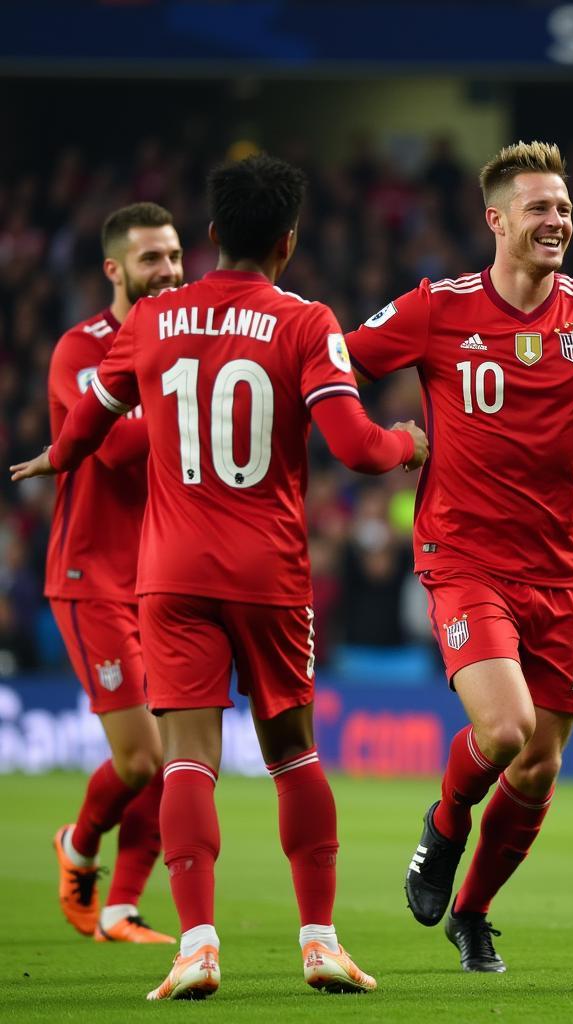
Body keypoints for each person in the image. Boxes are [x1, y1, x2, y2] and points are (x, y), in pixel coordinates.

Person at [12, 154, 428, 1001]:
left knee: (187, 764)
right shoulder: (308, 322)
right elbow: (354, 446)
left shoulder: (158, 317)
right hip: (269, 572)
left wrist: (56, 458)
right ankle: (318, 943)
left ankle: (196, 946)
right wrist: (410, 445)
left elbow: (90, 417)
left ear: (208, 237)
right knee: (293, 755)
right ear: (289, 239)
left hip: (168, 575)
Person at [343, 140, 573, 972]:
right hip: (464, 558)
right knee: (507, 727)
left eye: (563, 207)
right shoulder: (436, 307)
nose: (557, 220)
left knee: (538, 768)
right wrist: (388, 443)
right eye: (539, 207)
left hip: (563, 573)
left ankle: (474, 912)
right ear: (495, 219)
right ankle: (444, 826)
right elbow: (333, 368)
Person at [47, 202, 182, 945]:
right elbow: (113, 445)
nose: (166, 270)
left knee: (175, 760)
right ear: (114, 269)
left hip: (165, 577)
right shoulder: (80, 348)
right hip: (90, 574)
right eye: (150, 259)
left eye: (172, 255)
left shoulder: (183, 337)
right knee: (140, 757)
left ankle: (123, 908)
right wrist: (190, 406)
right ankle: (78, 845)